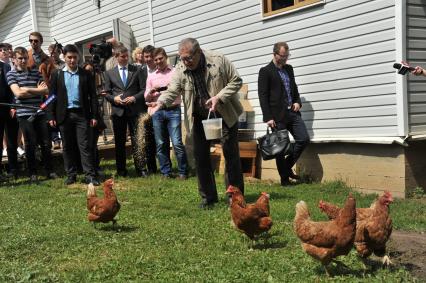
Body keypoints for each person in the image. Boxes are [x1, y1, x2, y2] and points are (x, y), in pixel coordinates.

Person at [149, 38, 244, 209]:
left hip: (224, 113)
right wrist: (161, 103)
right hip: (200, 117)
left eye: (189, 58)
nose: (186, 62)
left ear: (199, 52)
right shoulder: (181, 68)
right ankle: (208, 198)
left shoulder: (218, 60)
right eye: (182, 58)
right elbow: (172, 90)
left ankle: (235, 198)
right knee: (201, 157)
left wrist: (219, 97)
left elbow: (236, 80)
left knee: (231, 156)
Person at [258, 42, 310, 187]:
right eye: (283, 56)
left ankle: (286, 168)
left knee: (303, 139)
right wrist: (268, 117)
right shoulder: (265, 71)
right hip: (276, 115)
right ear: (275, 54)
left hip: (292, 112)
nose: (286, 58)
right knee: (280, 148)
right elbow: (263, 96)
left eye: (287, 55)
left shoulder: (289, 69)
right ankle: (284, 179)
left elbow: (294, 88)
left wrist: (298, 102)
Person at [47, 44, 100, 186]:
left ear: (78, 57)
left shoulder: (85, 74)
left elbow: (93, 96)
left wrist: (94, 115)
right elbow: (51, 96)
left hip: (82, 115)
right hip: (64, 116)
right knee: (68, 146)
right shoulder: (57, 74)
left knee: (85, 146)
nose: (72, 60)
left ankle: (90, 175)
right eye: (69, 57)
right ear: (64, 57)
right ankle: (71, 174)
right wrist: (50, 116)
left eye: (74, 57)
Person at [7, 47, 57, 183]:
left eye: (25, 58)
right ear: (15, 60)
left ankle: (50, 170)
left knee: (46, 143)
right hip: (24, 114)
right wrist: (37, 90)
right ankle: (32, 173)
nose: (23, 61)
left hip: (40, 112)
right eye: (20, 58)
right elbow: (18, 93)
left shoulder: (35, 72)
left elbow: (46, 90)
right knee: (30, 143)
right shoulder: (11, 75)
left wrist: (27, 89)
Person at [101, 45, 150, 177]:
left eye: (127, 56)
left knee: (137, 140)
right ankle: (121, 170)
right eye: (122, 56)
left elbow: (143, 89)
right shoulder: (109, 73)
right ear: (116, 57)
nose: (125, 58)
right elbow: (106, 93)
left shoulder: (137, 70)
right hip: (118, 112)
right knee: (120, 141)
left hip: (134, 111)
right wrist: (113, 99)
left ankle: (141, 169)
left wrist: (134, 97)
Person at [145, 47, 188, 179]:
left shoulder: (175, 72)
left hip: (173, 110)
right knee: (160, 143)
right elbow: (146, 97)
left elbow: (182, 89)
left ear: (165, 57)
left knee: (177, 142)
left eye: (160, 58)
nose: (158, 61)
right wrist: (151, 92)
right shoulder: (151, 76)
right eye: (156, 59)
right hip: (157, 112)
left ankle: (183, 172)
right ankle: (166, 172)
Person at [0, 43, 19, 181]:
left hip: (10, 108)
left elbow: (14, 89)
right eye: (2, 50)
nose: (5, 52)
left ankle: (14, 169)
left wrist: (13, 106)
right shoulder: (2, 67)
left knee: (12, 140)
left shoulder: (13, 66)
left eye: (7, 50)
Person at [47, 43, 64, 150]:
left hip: (61, 94)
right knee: (51, 116)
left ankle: (63, 138)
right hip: (49, 94)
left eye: (55, 53)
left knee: (61, 116)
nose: (53, 55)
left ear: (59, 53)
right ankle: (55, 140)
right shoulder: (47, 64)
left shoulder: (63, 64)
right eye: (51, 53)